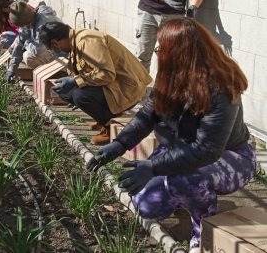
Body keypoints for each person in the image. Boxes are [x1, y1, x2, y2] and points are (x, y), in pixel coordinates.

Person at [87, 18, 256, 252]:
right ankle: (185, 195)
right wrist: (119, 145)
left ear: (180, 53)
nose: (157, 52)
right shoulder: (172, 78)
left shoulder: (221, 87)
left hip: (229, 157)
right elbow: (146, 117)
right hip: (181, 150)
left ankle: (202, 228)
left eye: (161, 48)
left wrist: (154, 167)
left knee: (184, 179)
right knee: (146, 206)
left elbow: (207, 149)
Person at [39, 22, 152, 145]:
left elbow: (107, 74)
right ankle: (104, 117)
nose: (54, 51)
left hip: (128, 88)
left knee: (79, 95)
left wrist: (75, 82)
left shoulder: (87, 42)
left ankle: (109, 128)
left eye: (51, 48)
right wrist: (73, 83)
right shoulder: (75, 42)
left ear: (55, 43)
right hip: (113, 85)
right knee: (67, 91)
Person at [5, 0, 61, 82]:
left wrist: (27, 42)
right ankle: (49, 68)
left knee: (28, 56)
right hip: (50, 51)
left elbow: (39, 50)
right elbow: (20, 42)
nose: (22, 27)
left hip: (62, 53)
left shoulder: (44, 24)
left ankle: (60, 70)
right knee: (23, 51)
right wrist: (11, 69)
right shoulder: (28, 19)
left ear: (27, 22)